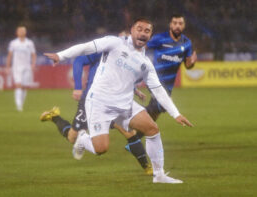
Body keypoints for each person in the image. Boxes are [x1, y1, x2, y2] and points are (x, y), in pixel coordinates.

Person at [44, 18, 193, 183]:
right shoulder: (114, 43)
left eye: (147, 31)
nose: (143, 33)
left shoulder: (145, 64)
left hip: (125, 105)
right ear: (132, 30)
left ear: (150, 36)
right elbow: (86, 47)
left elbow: (158, 89)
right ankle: (82, 138)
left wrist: (176, 114)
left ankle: (159, 176)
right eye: (140, 29)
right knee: (101, 149)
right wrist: (60, 55)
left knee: (152, 129)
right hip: (99, 102)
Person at [40, 52, 153, 175]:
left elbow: (120, 78)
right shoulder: (103, 50)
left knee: (128, 131)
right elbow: (78, 60)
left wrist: (135, 90)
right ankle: (55, 117)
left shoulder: (124, 57)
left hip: (113, 100)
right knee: (73, 137)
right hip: (92, 100)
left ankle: (147, 167)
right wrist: (78, 87)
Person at [145, 14, 197, 122]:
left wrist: (192, 63)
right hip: (154, 79)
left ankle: (135, 134)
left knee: (154, 115)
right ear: (170, 25)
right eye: (175, 23)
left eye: (180, 23)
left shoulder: (186, 43)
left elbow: (187, 66)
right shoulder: (160, 38)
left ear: (184, 26)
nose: (177, 26)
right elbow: (142, 47)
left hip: (168, 85)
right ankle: (131, 118)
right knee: (164, 105)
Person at [6, 26, 36, 111]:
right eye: (19, 31)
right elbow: (10, 55)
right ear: (17, 32)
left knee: (24, 87)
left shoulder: (29, 43)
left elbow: (33, 54)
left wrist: (33, 64)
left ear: (25, 32)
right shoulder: (13, 43)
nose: (21, 32)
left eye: (22, 31)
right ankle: (19, 106)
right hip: (16, 67)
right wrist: (8, 66)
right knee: (18, 85)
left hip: (27, 67)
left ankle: (21, 104)